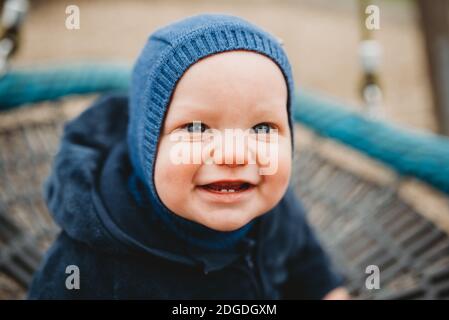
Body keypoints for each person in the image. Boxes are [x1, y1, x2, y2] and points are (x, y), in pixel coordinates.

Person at [28, 13, 348, 299]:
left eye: (263, 127)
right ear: (147, 142)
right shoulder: (92, 260)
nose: (234, 155)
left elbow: (309, 269)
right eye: (196, 127)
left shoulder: (277, 211)